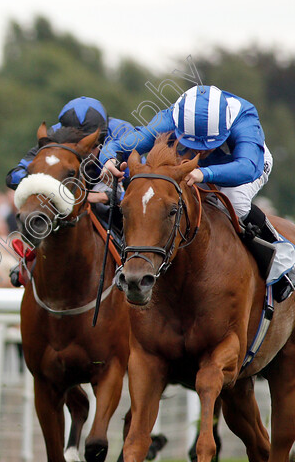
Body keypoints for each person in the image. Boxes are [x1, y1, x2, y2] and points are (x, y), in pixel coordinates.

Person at [101, 84, 295, 302]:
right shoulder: (171, 118)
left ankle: (282, 262)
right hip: (194, 169)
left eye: (209, 145)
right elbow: (121, 145)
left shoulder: (244, 117)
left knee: (236, 202)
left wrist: (206, 173)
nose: (201, 151)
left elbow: (248, 167)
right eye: (193, 143)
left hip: (246, 164)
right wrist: (109, 160)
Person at [6, 96, 134, 203]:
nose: (85, 154)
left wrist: (107, 196)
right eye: (75, 146)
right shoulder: (54, 137)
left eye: (92, 145)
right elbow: (13, 177)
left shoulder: (123, 133)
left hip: (114, 191)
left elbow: (142, 188)